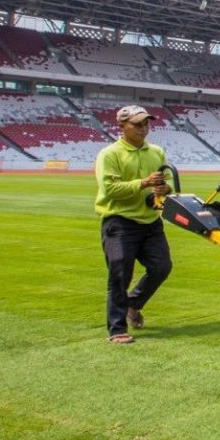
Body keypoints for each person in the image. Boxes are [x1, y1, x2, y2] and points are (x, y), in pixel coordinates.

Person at [94, 105, 173, 344]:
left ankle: (133, 304)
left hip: (150, 223)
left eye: (146, 123)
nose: (143, 128)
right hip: (118, 224)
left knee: (161, 267)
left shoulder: (156, 152)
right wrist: (144, 183)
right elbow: (110, 190)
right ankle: (117, 329)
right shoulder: (110, 154)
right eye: (137, 124)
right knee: (119, 274)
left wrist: (164, 188)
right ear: (122, 126)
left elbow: (169, 182)